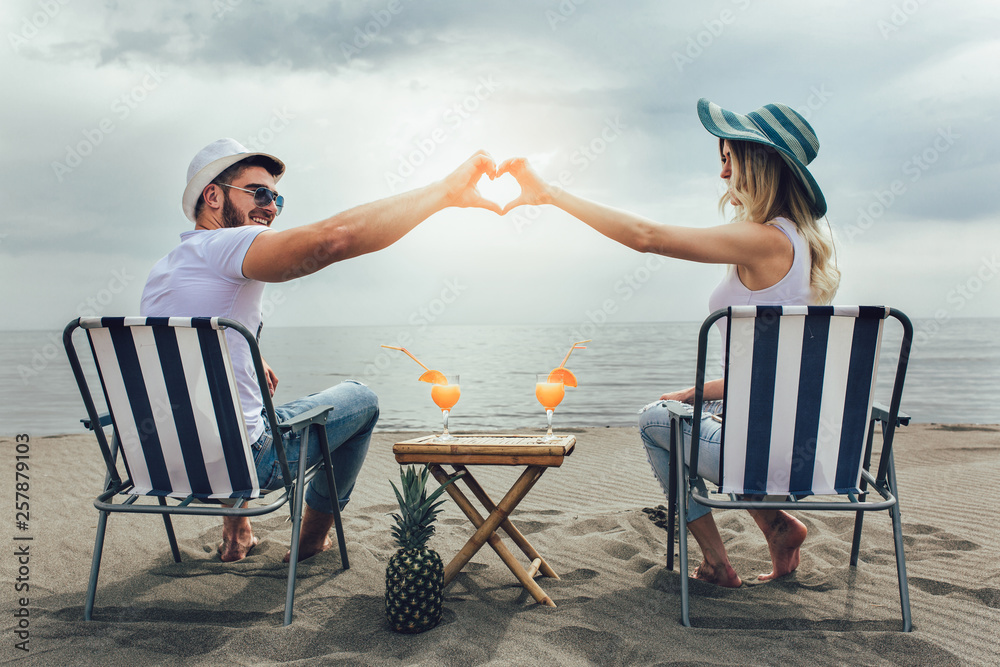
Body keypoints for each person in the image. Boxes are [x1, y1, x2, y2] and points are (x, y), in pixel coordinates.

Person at [497, 99, 840, 587]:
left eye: (729, 159)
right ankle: (778, 529)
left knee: (652, 422)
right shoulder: (797, 244)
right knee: (677, 409)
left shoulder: (762, 240)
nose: (723, 175)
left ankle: (719, 563)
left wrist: (550, 193)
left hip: (765, 457)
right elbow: (771, 374)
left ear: (758, 165)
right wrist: (694, 393)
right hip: (802, 445)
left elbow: (646, 236)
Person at [141, 138, 501, 562]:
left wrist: (251, 352)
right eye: (258, 192)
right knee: (361, 400)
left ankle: (237, 530)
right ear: (214, 196)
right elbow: (332, 241)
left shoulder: (164, 271)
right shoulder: (224, 246)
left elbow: (191, 354)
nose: (270, 207)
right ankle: (310, 540)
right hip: (246, 466)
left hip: (161, 463)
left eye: (276, 197)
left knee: (233, 414)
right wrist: (444, 192)